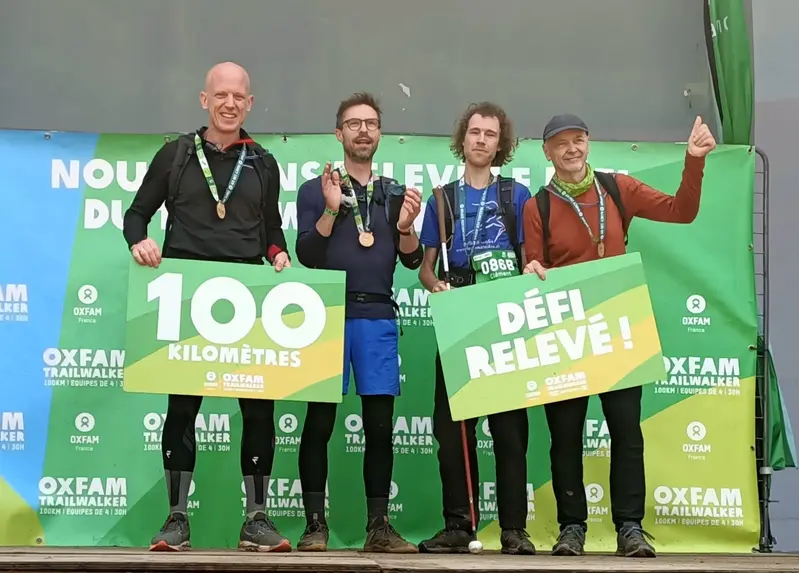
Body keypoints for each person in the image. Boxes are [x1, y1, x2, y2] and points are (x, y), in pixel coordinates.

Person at [522, 113, 716, 559]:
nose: (571, 148)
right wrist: (532, 269)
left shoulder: (617, 188)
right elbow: (532, 265)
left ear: (588, 143)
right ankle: (572, 528)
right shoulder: (539, 206)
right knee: (565, 434)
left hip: (618, 325)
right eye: (561, 143)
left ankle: (630, 527)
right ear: (547, 152)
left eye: (579, 140)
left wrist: (694, 160)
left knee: (626, 431)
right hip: (567, 331)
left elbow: (682, 212)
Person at [122, 62, 293, 553]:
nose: (229, 103)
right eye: (220, 95)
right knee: (182, 409)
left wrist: (279, 254)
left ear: (250, 103)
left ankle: (256, 520)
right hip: (187, 297)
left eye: (238, 96)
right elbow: (136, 215)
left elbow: (271, 229)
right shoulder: (175, 154)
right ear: (204, 100)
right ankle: (176, 520)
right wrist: (141, 242)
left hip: (250, 297)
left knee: (260, 409)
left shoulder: (262, 162)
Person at [294, 92, 423, 554]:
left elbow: (411, 262)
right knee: (319, 423)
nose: (363, 130)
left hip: (378, 314)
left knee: (380, 426)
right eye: (353, 123)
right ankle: (314, 526)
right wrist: (331, 209)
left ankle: (379, 528)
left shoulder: (392, 193)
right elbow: (307, 255)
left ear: (380, 134)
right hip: (326, 316)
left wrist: (407, 227)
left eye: (370, 123)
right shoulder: (316, 188)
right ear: (339, 133)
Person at [416, 102, 544, 556]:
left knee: (509, 429)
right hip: (459, 312)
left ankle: (513, 529)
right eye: (474, 132)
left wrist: (532, 268)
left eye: (490, 134)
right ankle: (458, 525)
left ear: (500, 143)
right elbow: (425, 271)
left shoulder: (518, 195)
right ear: (462, 139)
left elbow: (531, 255)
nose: (481, 140)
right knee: (452, 429)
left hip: (503, 316)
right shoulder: (441, 199)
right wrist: (438, 288)